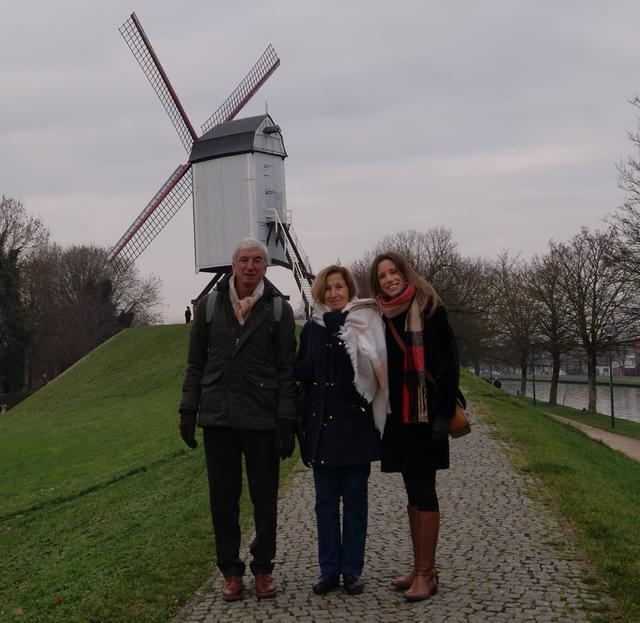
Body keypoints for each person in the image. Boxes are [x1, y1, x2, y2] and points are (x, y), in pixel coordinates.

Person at [179, 237, 297, 602]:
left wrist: (286, 421)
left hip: (261, 418)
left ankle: (262, 568)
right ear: (233, 265)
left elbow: (286, 370)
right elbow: (195, 362)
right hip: (219, 416)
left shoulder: (279, 310)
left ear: (266, 267)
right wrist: (188, 409)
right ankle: (230, 571)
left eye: (257, 261)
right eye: (244, 260)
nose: (250, 266)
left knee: (264, 500)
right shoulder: (210, 307)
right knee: (223, 500)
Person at [368, 252, 459, 602]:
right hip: (399, 416)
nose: (389, 278)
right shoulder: (381, 313)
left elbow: (450, 366)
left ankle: (426, 574)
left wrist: (440, 416)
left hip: (425, 414)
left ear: (405, 274)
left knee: (425, 488)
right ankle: (421, 565)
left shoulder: (431, 308)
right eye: (382, 275)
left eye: (394, 272)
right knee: (410, 489)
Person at [296, 265, 387, 596]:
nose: (334, 293)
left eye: (340, 287)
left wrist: (338, 336)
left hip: (354, 426)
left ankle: (351, 570)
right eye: (328, 288)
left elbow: (366, 371)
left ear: (350, 291)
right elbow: (303, 372)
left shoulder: (362, 325)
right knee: (325, 503)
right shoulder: (311, 330)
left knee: (354, 501)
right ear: (321, 293)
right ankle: (328, 569)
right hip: (321, 427)